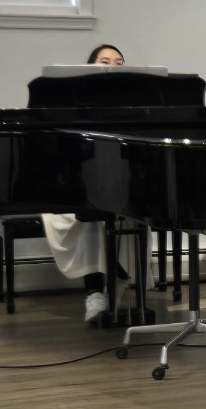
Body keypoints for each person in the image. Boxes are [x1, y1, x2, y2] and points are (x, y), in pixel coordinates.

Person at [41, 44, 131, 322]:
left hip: (121, 186)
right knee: (89, 212)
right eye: (105, 61)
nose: (112, 66)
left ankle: (110, 283)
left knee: (115, 210)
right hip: (74, 186)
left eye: (118, 62)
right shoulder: (72, 103)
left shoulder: (136, 106)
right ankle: (102, 285)